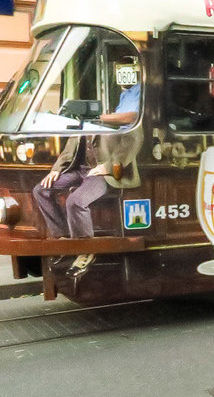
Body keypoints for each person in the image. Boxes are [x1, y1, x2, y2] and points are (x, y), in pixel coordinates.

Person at [32, 75, 143, 273]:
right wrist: (55, 170)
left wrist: (108, 166)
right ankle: (64, 239)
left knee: (75, 201)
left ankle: (85, 248)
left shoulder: (115, 123)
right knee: (41, 190)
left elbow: (134, 139)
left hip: (100, 175)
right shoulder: (80, 125)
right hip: (79, 171)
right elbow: (69, 150)